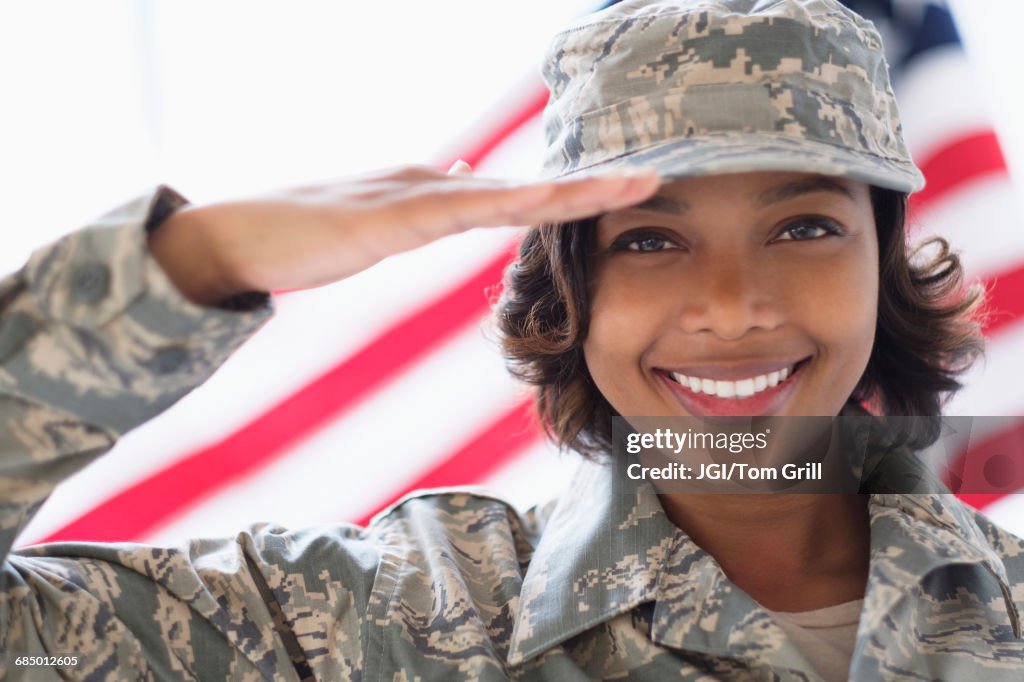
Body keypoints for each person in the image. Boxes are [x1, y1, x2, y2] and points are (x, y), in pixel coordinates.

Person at [2, 0, 1022, 680]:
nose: (732, 304)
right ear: (567, 296)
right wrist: (194, 261)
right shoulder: (373, 620)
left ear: (881, 268)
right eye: (650, 237)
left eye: (803, 226)